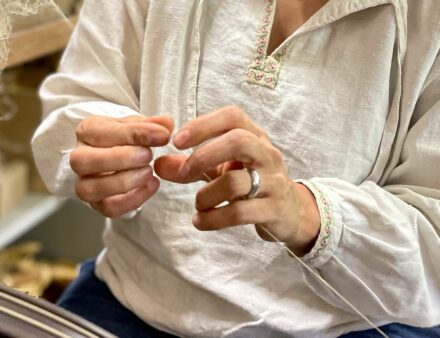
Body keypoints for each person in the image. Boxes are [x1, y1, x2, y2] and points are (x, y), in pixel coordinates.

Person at [32, 0, 440, 336]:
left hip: (345, 326)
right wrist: (98, 154)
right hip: (133, 296)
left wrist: (307, 216)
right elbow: (75, 100)